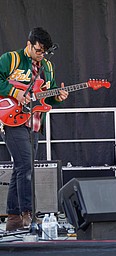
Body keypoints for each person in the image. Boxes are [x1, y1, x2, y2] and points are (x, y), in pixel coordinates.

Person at [0, 27, 69, 231]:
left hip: (34, 122)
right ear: (29, 44)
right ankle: (27, 213)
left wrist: (58, 97)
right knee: (25, 166)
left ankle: (13, 218)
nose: (41, 54)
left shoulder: (47, 66)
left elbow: (47, 97)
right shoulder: (11, 59)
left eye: (44, 51)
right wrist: (15, 92)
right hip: (10, 118)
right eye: (38, 50)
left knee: (22, 167)